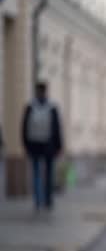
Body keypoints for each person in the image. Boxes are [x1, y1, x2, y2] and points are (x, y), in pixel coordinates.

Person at [22, 82, 63, 211]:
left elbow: (24, 128)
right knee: (47, 174)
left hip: (35, 145)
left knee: (37, 173)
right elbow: (57, 128)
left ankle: (38, 201)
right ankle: (47, 200)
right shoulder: (52, 107)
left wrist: (26, 145)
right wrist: (59, 146)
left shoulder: (30, 106)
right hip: (48, 145)